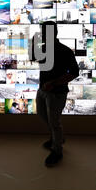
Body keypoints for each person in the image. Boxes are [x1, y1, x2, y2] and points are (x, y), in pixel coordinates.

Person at [31, 21, 79, 167]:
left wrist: (54, 83)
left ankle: (57, 150)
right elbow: (33, 58)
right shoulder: (44, 48)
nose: (42, 34)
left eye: (44, 32)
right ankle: (57, 138)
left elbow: (75, 72)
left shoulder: (64, 51)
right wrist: (34, 44)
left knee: (54, 122)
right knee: (42, 114)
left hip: (56, 93)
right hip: (43, 90)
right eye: (42, 32)